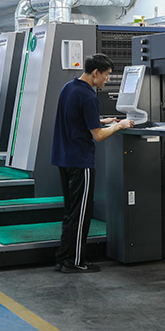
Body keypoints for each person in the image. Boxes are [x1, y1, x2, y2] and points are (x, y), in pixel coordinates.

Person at [51, 53, 135, 273]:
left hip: (64, 158)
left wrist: (101, 121)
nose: (107, 79)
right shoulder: (88, 96)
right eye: (106, 75)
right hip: (80, 162)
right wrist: (119, 125)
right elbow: (98, 136)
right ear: (95, 72)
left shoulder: (69, 88)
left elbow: (76, 119)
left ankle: (63, 258)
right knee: (81, 213)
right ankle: (75, 261)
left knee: (71, 211)